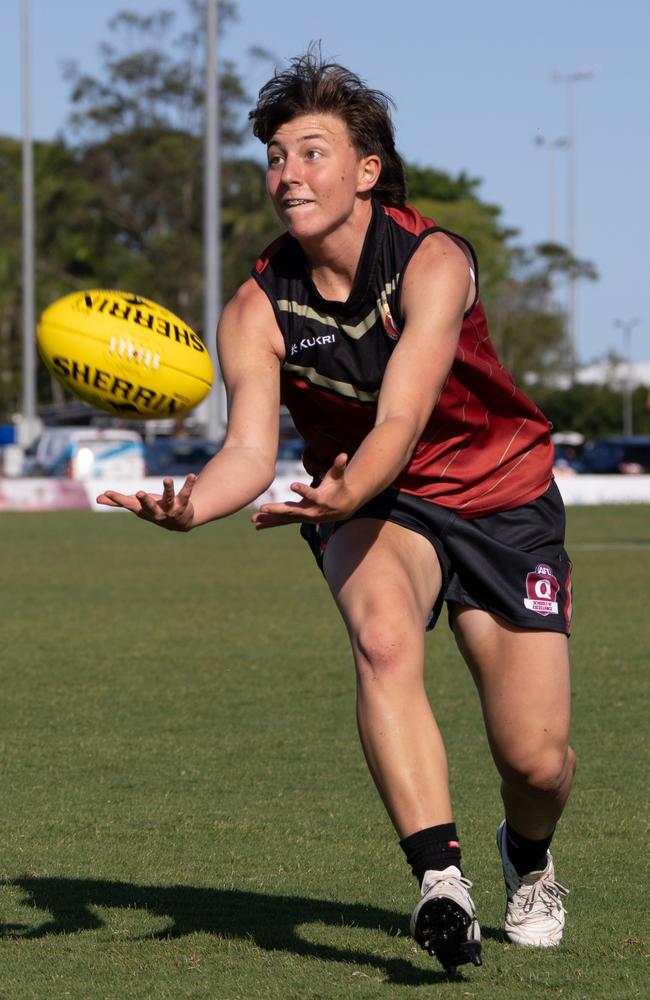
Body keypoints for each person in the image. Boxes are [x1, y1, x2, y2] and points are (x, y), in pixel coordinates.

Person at [98, 50, 575, 975]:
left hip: (499, 493)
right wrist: (190, 506)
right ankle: (442, 883)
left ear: (365, 172)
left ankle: (531, 855)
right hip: (371, 502)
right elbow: (247, 453)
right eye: (276, 157)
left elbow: (401, 412)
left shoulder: (432, 262)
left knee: (536, 760)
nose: (288, 175)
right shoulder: (257, 304)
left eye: (311, 153)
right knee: (384, 641)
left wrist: (350, 485)